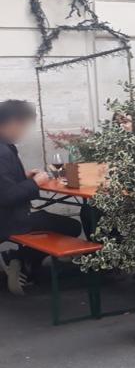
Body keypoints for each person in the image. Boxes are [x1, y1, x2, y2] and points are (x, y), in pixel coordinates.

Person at [0, 100, 82, 295]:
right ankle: (20, 260)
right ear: (13, 123)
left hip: (11, 216)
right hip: (10, 220)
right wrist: (35, 183)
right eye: (24, 126)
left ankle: (24, 265)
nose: (24, 132)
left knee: (51, 221)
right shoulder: (2, 151)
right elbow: (5, 196)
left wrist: (24, 177)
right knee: (72, 226)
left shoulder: (5, 147)